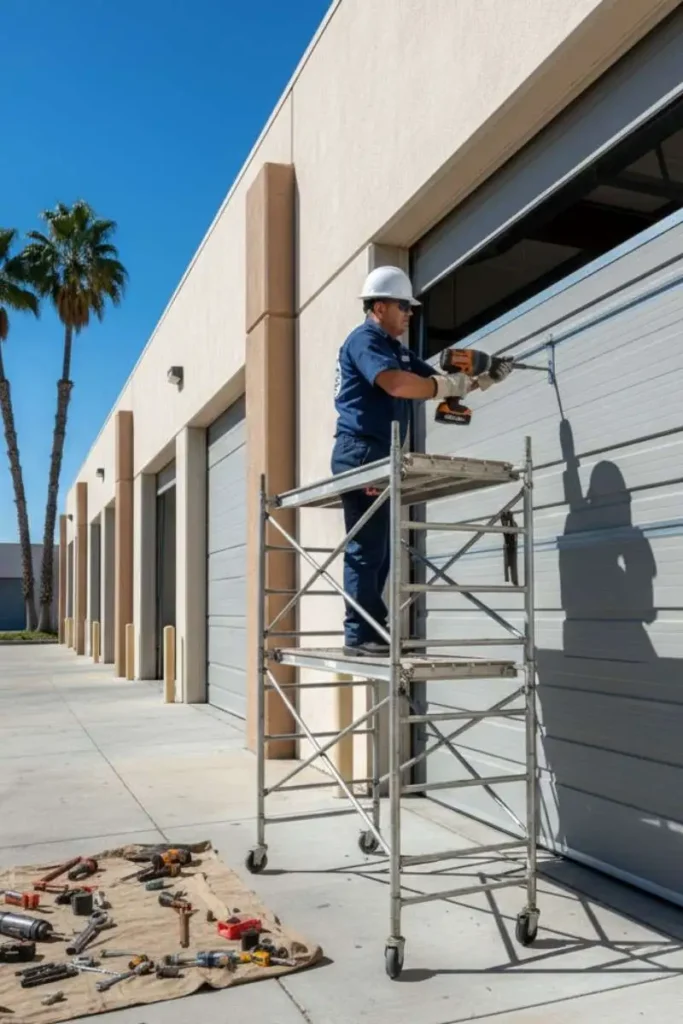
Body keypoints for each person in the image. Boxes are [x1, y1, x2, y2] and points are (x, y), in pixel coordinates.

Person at [330, 265, 512, 655]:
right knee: (367, 547)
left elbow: (430, 382)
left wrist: (479, 380)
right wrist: (444, 385)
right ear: (379, 307)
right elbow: (397, 384)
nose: (410, 314)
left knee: (380, 550)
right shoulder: (365, 341)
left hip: (377, 451)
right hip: (361, 450)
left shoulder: (394, 348)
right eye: (403, 306)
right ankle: (359, 635)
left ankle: (372, 631)